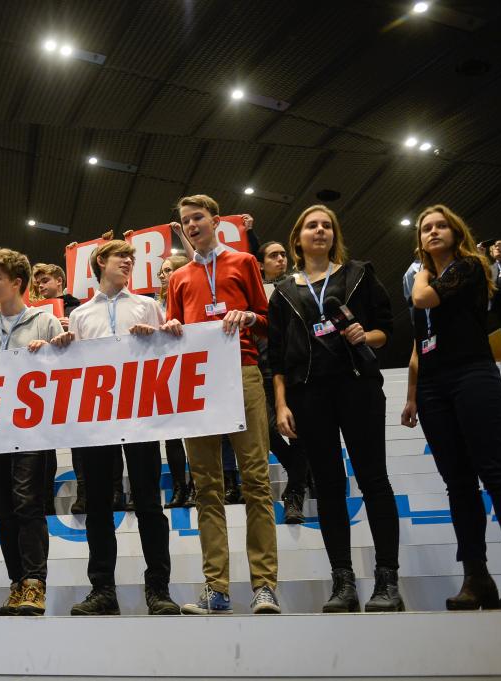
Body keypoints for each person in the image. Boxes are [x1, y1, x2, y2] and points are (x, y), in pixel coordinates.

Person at [268, 204, 403, 613]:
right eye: (312, 226)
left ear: (334, 235)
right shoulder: (285, 293)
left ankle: (387, 580)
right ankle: (342, 582)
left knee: (373, 480)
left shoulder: (358, 274)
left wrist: (368, 335)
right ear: (298, 238)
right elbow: (275, 356)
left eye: (327, 225)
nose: (320, 230)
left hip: (358, 387)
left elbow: (387, 329)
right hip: (309, 396)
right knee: (327, 487)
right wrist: (281, 405)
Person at [402, 205, 501, 609]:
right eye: (426, 228)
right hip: (432, 386)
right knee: (457, 484)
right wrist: (411, 395)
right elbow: (418, 343)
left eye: (441, 226)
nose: (433, 231)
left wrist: (422, 269)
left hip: (473, 376)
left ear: (455, 232)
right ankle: (475, 577)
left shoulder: (469, 267)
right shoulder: (426, 280)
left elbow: (422, 297)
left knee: (496, 471)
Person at [162, 194, 280, 615]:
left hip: (243, 372)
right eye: (185, 220)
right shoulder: (178, 279)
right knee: (207, 488)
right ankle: (217, 589)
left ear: (216, 221)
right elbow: (173, 332)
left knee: (256, 483)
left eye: (198, 218)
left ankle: (264, 586)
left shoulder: (244, 263)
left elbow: (269, 324)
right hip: (200, 385)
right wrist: (171, 325)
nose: (192, 225)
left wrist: (249, 317)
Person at [50, 240, 180, 616]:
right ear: (100, 262)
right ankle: (103, 589)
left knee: (149, 504)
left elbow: (168, 357)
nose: (128, 261)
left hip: (140, 417)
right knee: (99, 507)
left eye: (132, 258)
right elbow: (73, 367)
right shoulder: (80, 315)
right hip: (97, 420)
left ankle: (158, 589)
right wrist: (62, 346)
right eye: (121, 256)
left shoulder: (147, 305)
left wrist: (163, 333)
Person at [0, 248, 62, 616]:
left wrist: (52, 352)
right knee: (4, 508)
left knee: (27, 502)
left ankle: (35, 584)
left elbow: (66, 370)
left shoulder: (45, 322)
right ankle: (17, 582)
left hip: (34, 430)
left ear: (17, 283)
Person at [257, 240, 311, 524]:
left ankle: (294, 496)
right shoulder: (252, 291)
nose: (281, 259)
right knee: (265, 430)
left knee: (299, 433)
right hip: (260, 370)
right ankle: (300, 470)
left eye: (282, 254)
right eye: (273, 255)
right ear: (260, 263)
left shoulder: (297, 287)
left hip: (293, 370)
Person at [32, 262, 83, 516]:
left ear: (59, 281)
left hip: (72, 378)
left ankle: (84, 494)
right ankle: (44, 500)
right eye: (38, 283)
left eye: (45, 281)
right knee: (44, 443)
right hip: (44, 381)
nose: (41, 286)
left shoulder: (78, 307)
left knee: (78, 440)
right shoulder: (32, 313)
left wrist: (71, 324)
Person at [156, 255, 196, 509]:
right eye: (161, 271)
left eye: (168, 270)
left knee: (195, 435)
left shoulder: (192, 297)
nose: (162, 275)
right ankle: (179, 487)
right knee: (172, 436)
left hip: (191, 369)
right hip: (166, 372)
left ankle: (196, 486)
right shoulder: (155, 303)